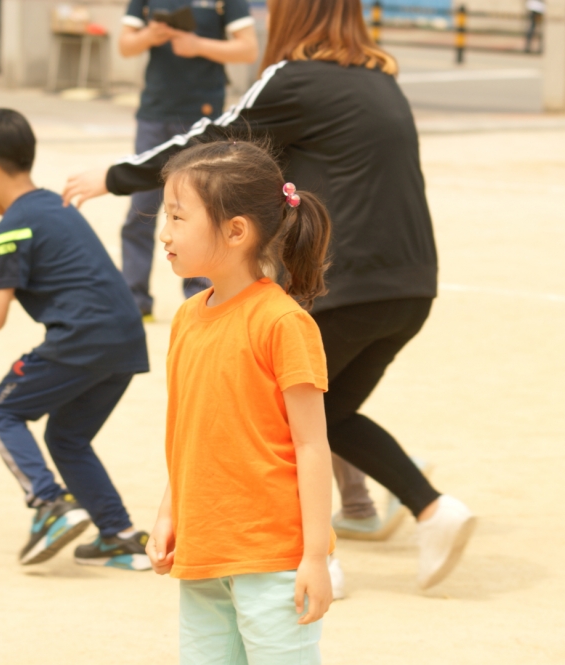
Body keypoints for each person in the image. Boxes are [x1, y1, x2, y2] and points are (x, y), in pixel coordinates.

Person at [64, 0, 477, 590]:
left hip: (347, 283)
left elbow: (214, 142)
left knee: (285, 426)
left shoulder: (296, 79)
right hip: (410, 285)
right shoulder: (383, 81)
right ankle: (429, 510)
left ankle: (333, 551)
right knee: (325, 415)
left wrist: (118, 175)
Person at [0, 109, 151, 570]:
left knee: (1, 409)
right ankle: (119, 535)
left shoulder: (9, 227)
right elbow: (64, 273)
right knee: (67, 436)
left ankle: (50, 504)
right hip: (124, 341)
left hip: (82, 338)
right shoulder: (54, 207)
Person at [145, 140, 334, 664]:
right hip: (204, 553)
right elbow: (192, 432)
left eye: (179, 217)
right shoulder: (185, 319)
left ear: (235, 231)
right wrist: (169, 513)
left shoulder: (282, 322)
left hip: (272, 559)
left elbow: (312, 445)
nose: (165, 232)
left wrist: (315, 557)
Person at [117, 0, 258, 318]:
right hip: (155, 113)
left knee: (203, 212)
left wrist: (198, 45)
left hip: (204, 116)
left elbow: (248, 49)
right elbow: (125, 45)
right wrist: (150, 36)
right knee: (140, 210)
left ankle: (202, 299)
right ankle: (134, 299)